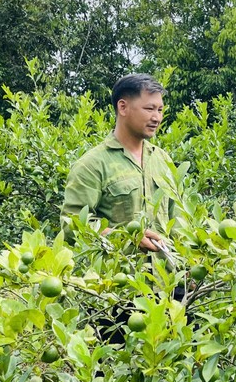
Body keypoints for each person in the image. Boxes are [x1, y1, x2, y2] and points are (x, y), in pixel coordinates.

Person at [62, 73, 175, 252]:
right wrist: (124, 238)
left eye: (160, 110)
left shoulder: (163, 160)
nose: (157, 118)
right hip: (119, 277)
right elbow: (72, 225)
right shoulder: (93, 165)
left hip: (167, 277)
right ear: (123, 107)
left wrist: (188, 265)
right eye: (149, 109)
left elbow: (178, 219)